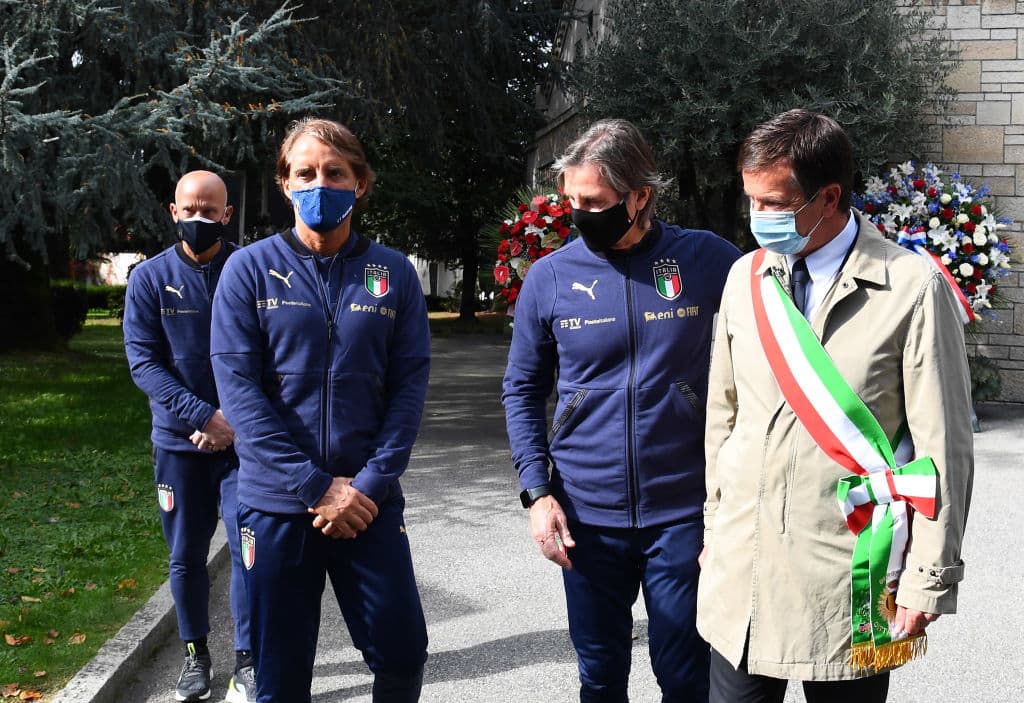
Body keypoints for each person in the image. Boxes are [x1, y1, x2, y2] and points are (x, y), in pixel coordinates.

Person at [697, 109, 974, 703]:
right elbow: (724, 417)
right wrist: (714, 527)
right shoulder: (744, 278)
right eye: (752, 202)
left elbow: (943, 448)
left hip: (855, 572)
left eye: (773, 204)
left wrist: (928, 580)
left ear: (828, 197)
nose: (759, 219)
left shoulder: (910, 287)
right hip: (743, 569)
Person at [501, 118, 742, 702]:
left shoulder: (707, 260)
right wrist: (538, 493)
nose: (580, 214)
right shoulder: (551, 276)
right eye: (572, 201)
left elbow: (776, 342)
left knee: (684, 673)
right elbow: (523, 389)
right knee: (601, 673)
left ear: (641, 196)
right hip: (587, 514)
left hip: (682, 510)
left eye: (595, 201)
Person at [210, 117, 430, 703]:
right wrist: (314, 485)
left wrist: (370, 485)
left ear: (360, 183)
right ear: (284, 184)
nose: (319, 184)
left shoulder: (394, 273)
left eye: (335, 173)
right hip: (278, 505)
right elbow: (240, 394)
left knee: (404, 653)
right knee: (279, 677)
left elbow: (408, 387)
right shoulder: (247, 269)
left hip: (368, 501)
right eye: (305, 173)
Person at [123, 170, 255, 702]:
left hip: (244, 445)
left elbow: (270, 357)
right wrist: (202, 417)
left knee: (251, 551)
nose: (200, 219)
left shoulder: (250, 270)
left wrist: (232, 421)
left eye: (211, 210)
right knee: (185, 556)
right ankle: (195, 655)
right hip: (179, 443)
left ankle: (249, 660)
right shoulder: (149, 279)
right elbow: (144, 363)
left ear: (227, 214)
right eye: (189, 209)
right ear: (172, 211)